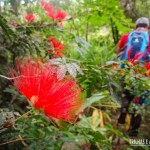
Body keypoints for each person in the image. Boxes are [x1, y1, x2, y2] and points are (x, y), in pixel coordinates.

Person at [116, 17, 150, 137]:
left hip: (127, 71)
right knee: (139, 102)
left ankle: (124, 110)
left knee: (126, 93)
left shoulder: (127, 36)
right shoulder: (149, 37)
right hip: (143, 75)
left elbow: (118, 52)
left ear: (136, 26)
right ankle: (133, 131)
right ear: (147, 26)